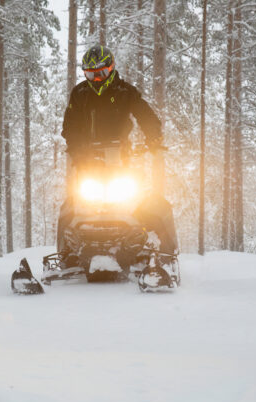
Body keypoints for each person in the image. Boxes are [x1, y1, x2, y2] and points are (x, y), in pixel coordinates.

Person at [57, 45, 177, 263]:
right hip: (88, 163)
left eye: (100, 74)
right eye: (90, 75)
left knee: (153, 204)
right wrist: (75, 147)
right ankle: (65, 256)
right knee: (70, 207)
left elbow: (145, 114)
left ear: (110, 69)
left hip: (122, 161)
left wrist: (154, 138)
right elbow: (70, 126)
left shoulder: (124, 92)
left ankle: (165, 254)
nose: (95, 80)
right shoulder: (80, 94)